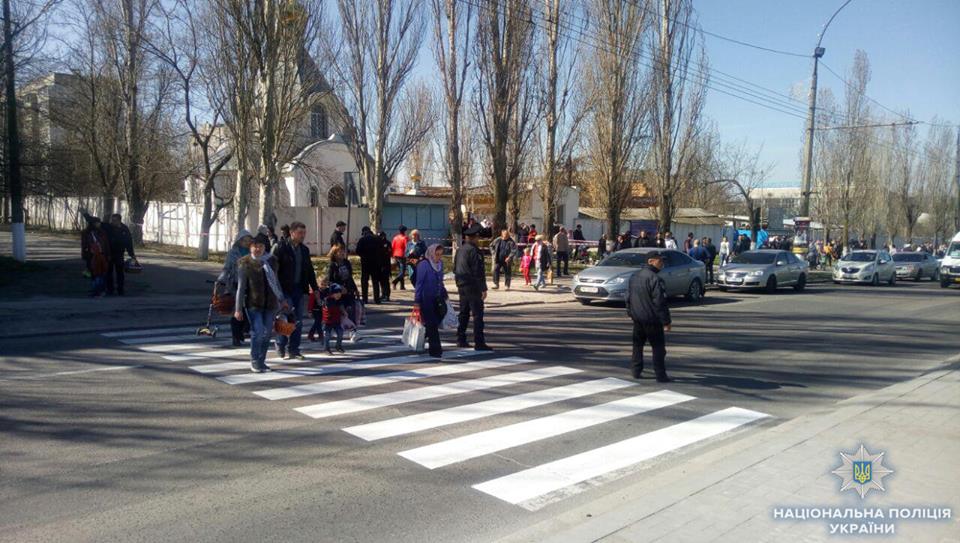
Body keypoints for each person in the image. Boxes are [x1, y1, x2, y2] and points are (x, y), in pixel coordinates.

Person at [234, 234, 288, 373]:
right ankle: (254, 360)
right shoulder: (244, 263)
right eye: (254, 246)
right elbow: (241, 288)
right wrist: (238, 309)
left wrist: (282, 299)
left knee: (267, 333)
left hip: (270, 304)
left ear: (265, 247)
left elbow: (275, 282)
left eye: (261, 246)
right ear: (250, 247)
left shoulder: (272, 261)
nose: (257, 249)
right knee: (257, 332)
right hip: (253, 304)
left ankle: (261, 361)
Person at [272, 221, 319, 360]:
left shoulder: (304, 250)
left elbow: (309, 271)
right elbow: (272, 270)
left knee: (298, 321)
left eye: (304, 233)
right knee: (285, 319)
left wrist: (315, 289)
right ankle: (280, 344)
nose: (302, 235)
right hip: (284, 289)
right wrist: (277, 293)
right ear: (292, 233)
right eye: (300, 233)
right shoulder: (280, 247)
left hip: (299, 289)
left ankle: (294, 349)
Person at [625, 252, 672, 383]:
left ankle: (636, 370)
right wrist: (666, 321)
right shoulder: (655, 279)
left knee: (637, 346)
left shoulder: (634, 276)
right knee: (658, 348)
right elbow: (660, 302)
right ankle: (661, 375)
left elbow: (628, 298)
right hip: (652, 320)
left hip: (638, 318)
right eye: (660, 261)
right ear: (651, 261)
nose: (662, 263)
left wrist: (630, 313)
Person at [454, 224, 492, 351]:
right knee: (477, 315)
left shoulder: (460, 250)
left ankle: (461, 338)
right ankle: (479, 342)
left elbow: (455, 268)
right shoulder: (475, 251)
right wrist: (483, 288)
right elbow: (478, 271)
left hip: (461, 284)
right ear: (475, 237)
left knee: (463, 313)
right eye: (477, 237)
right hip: (473, 285)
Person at [218, 229, 254, 346]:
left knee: (249, 311)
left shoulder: (253, 252)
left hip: (250, 285)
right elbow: (226, 268)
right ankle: (236, 337)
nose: (247, 242)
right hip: (235, 285)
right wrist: (220, 280)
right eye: (245, 240)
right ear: (239, 240)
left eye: (249, 240)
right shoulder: (233, 252)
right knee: (236, 311)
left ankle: (243, 331)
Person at [414, 244, 448, 358]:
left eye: (440, 255)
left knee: (437, 319)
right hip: (426, 299)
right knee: (432, 324)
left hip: (437, 298)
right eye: (436, 254)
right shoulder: (424, 265)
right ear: (431, 253)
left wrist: (445, 294)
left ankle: (424, 336)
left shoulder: (440, 264)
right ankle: (435, 350)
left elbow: (440, 281)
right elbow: (419, 284)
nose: (438, 257)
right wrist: (417, 302)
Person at [327, 245, 361, 342]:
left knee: (351, 310)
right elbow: (329, 281)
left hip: (349, 292)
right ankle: (334, 331)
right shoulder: (332, 265)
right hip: (338, 294)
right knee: (340, 312)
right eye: (340, 251)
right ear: (335, 253)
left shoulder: (346, 263)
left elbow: (350, 277)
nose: (342, 253)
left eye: (343, 251)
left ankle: (353, 332)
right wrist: (339, 288)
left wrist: (355, 289)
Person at [81, 214, 111, 297]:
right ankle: (95, 290)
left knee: (102, 273)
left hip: (102, 255)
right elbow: (84, 245)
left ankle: (101, 290)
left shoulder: (102, 232)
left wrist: (108, 254)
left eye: (99, 223)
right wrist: (85, 255)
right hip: (91, 256)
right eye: (97, 223)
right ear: (93, 223)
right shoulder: (86, 233)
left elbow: (106, 244)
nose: (99, 224)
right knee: (94, 273)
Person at [355, 226, 381, 304]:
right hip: (375, 263)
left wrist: (363, 256)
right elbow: (381, 251)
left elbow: (358, 251)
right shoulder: (377, 239)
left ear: (364, 232)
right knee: (375, 281)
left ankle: (365, 299)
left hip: (365, 263)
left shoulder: (362, 240)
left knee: (364, 281)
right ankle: (377, 299)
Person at [322, 284, 346, 355]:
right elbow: (331, 308)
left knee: (340, 333)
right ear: (332, 294)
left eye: (340, 293)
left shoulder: (339, 300)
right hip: (328, 321)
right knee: (327, 335)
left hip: (336, 321)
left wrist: (344, 312)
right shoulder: (327, 300)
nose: (339, 295)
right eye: (336, 293)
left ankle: (338, 346)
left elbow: (341, 307)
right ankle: (326, 348)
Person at [308, 278, 330, 342]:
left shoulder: (327, 291)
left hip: (322, 309)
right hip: (315, 310)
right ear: (319, 284)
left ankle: (315, 335)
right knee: (317, 322)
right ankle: (317, 335)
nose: (323, 286)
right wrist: (309, 311)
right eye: (322, 284)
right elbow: (311, 302)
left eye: (325, 285)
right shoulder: (315, 291)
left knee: (318, 323)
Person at [391, 225, 409, 290]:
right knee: (402, 272)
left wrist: (392, 255)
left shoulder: (395, 238)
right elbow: (407, 247)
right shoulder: (405, 238)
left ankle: (402, 286)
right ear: (404, 231)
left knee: (401, 271)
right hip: (402, 256)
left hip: (396, 255)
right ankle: (394, 282)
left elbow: (392, 247)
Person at [376, 231, 393, 302]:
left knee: (386, 281)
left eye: (381, 236)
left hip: (386, 264)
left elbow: (389, 252)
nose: (380, 238)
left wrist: (384, 252)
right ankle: (383, 294)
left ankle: (387, 295)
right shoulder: (377, 243)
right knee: (381, 281)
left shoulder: (387, 243)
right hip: (379, 264)